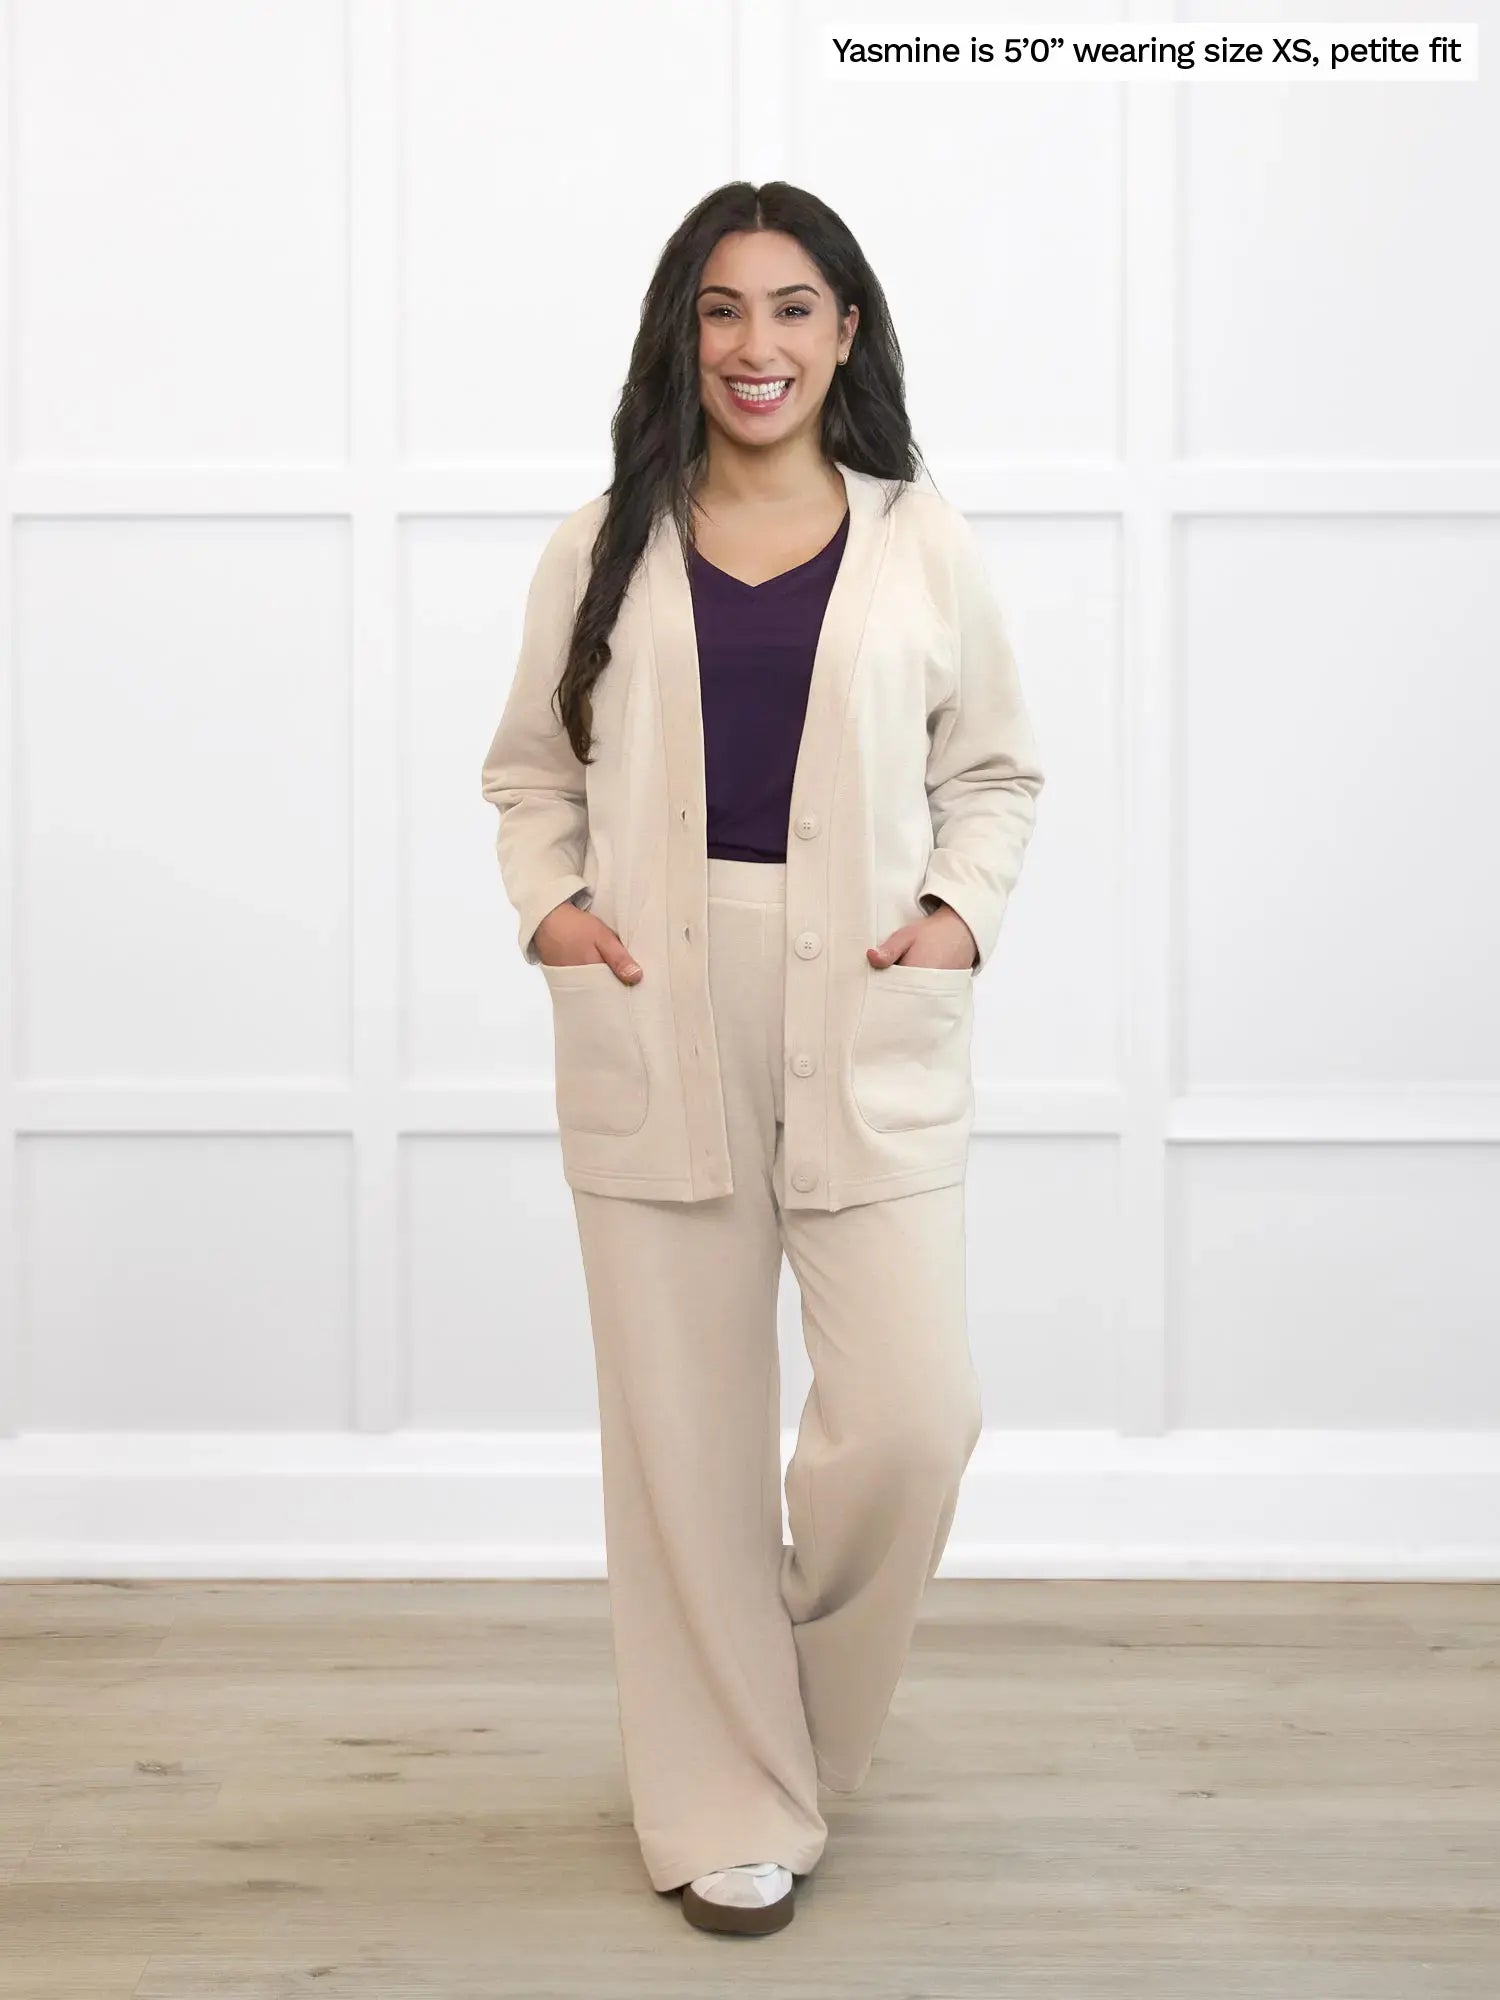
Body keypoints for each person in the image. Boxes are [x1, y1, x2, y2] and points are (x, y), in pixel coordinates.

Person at [480, 179, 1044, 1937]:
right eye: (724, 312)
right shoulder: (600, 541)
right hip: (656, 990)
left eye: (793, 310)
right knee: (684, 1439)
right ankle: (721, 1796)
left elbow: (997, 770)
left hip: (865, 996)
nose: (756, 347)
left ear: (846, 335)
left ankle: (776, 1736)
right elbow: (528, 775)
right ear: (684, 334)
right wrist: (555, 911)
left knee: (909, 1422)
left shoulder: (919, 538)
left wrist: (957, 909)